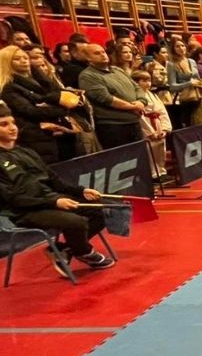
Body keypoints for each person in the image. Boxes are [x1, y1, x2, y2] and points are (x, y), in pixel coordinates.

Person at [0, 103, 113, 273]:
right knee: (76, 221)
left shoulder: (27, 152)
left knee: (98, 210)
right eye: (4, 124)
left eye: (13, 123)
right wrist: (55, 202)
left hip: (50, 200)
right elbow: (14, 198)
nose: (12, 128)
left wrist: (81, 190)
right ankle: (84, 252)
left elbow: (53, 180)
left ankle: (66, 250)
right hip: (24, 211)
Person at [0, 46, 74, 164]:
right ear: (6, 62)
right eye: (17, 59)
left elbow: (60, 95)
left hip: (57, 132)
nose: (24, 61)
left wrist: (52, 104)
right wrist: (61, 107)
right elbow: (31, 111)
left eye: (25, 58)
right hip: (35, 137)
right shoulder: (8, 88)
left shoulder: (40, 79)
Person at [78, 42, 146, 149]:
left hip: (133, 121)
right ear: (88, 58)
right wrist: (134, 107)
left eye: (103, 52)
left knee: (141, 155)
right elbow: (106, 98)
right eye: (97, 53)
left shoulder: (117, 70)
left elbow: (137, 87)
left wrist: (141, 101)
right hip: (113, 125)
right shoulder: (87, 75)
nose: (103, 55)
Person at [133, 69, 173, 179]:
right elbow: (140, 116)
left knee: (161, 149)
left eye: (149, 80)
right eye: (144, 81)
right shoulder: (135, 97)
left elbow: (162, 111)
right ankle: (153, 174)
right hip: (147, 123)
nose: (148, 83)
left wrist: (165, 128)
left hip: (158, 123)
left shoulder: (153, 95)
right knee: (150, 150)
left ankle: (162, 171)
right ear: (136, 82)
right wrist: (149, 132)